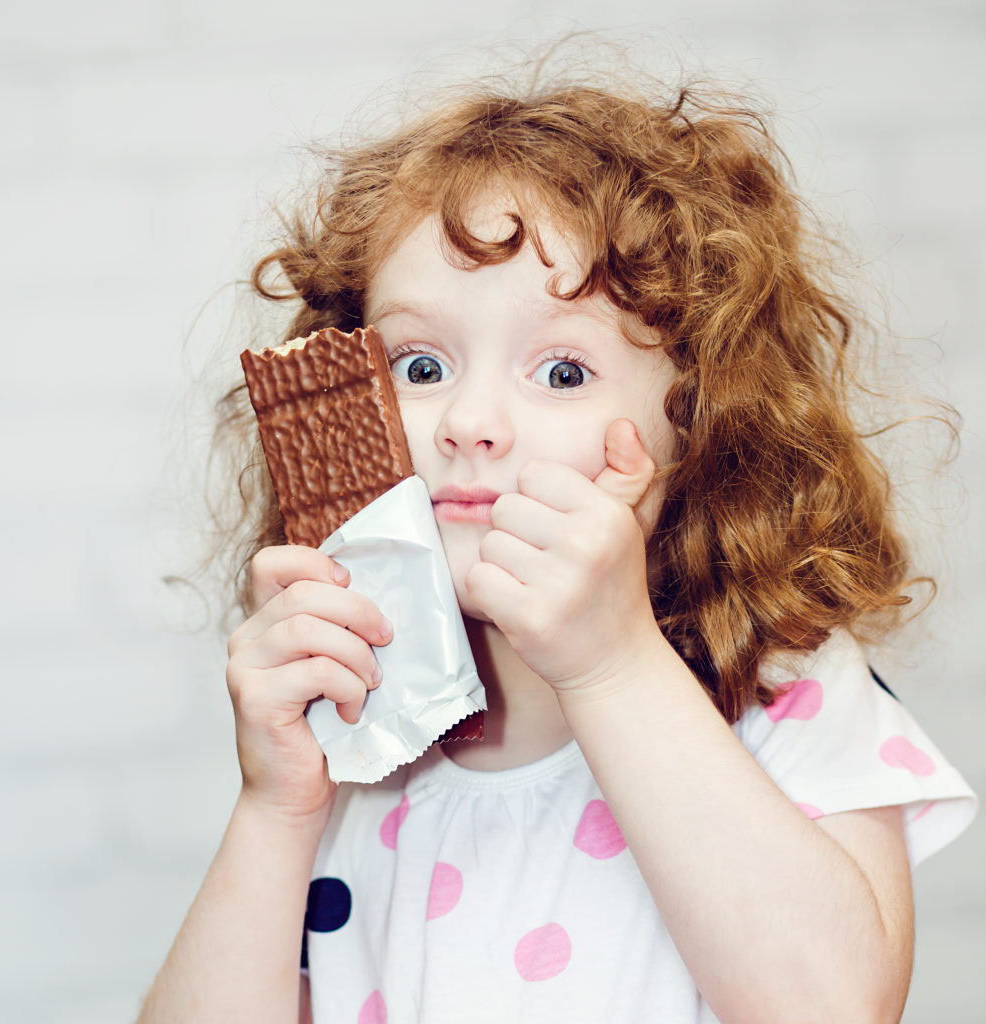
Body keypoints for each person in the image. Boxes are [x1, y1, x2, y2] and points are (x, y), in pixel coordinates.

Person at [138, 71, 976, 1024]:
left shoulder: (782, 688)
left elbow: (831, 1008)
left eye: (564, 370)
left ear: (700, 425)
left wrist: (611, 666)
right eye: (420, 366)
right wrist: (274, 808)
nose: (471, 421)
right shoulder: (356, 731)